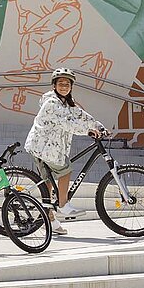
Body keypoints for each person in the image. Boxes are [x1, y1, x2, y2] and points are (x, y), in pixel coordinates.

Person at [24, 67, 105, 235]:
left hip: (50, 148)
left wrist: (98, 126)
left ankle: (51, 221)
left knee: (48, 184)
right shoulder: (51, 103)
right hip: (43, 147)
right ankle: (63, 204)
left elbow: (81, 115)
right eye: (60, 83)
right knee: (65, 170)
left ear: (71, 87)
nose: (64, 87)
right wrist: (87, 131)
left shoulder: (67, 102)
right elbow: (67, 123)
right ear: (54, 85)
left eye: (67, 84)